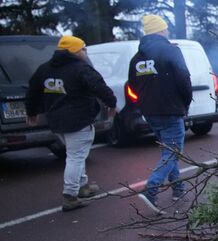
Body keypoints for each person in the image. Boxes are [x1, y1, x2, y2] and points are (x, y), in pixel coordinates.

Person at [25, 36, 117, 212]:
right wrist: (112, 103)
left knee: (76, 153)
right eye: (83, 49)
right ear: (75, 51)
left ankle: (82, 186)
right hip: (78, 120)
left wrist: (31, 112)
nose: (85, 52)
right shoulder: (81, 69)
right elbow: (100, 87)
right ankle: (70, 195)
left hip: (56, 121)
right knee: (75, 156)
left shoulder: (44, 69)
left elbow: (33, 91)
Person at [128, 15, 192, 213]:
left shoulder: (137, 58)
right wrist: (185, 102)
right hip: (171, 110)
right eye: (166, 29)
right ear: (161, 31)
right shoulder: (171, 51)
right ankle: (151, 189)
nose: (168, 32)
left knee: (168, 151)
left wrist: (144, 104)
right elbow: (184, 78)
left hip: (151, 113)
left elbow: (132, 86)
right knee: (172, 152)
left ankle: (178, 187)